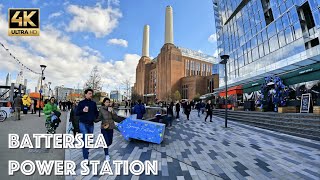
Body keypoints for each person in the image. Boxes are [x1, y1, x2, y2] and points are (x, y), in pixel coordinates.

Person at [76, 89, 99, 160]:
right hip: (83, 123)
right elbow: (77, 113)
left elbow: (96, 113)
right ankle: (86, 158)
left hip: (91, 124)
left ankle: (86, 150)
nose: (91, 95)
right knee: (85, 139)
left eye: (91, 93)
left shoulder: (93, 103)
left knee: (89, 140)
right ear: (85, 94)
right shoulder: (81, 103)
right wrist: (82, 111)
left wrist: (96, 117)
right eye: (89, 93)